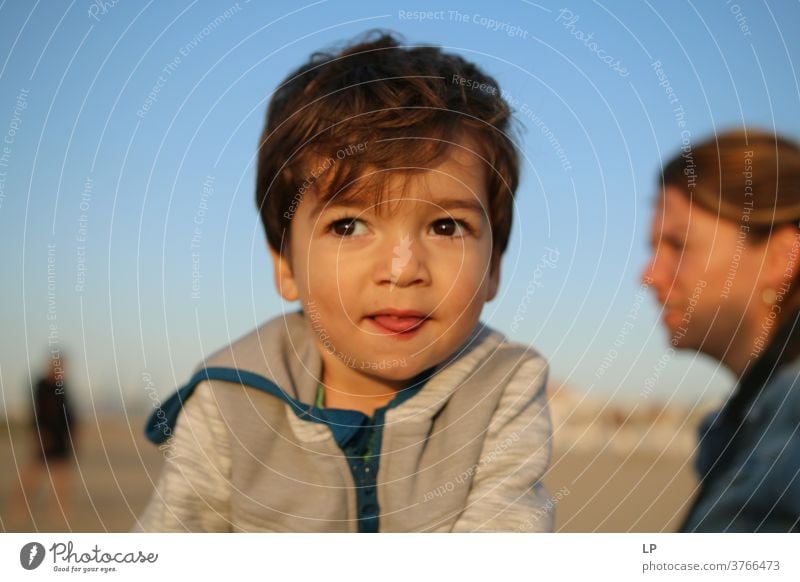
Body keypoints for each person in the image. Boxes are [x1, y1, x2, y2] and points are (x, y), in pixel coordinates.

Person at [133, 31, 552, 532]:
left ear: (494, 269)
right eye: (349, 226)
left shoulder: (501, 388)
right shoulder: (232, 400)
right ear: (286, 265)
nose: (401, 269)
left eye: (446, 227)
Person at [642, 129, 800, 532]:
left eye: (678, 246)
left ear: (782, 256)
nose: (649, 276)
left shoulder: (789, 434)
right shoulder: (749, 424)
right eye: (654, 249)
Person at [6, 354, 77, 523]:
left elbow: (68, 413)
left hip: (61, 437)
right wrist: (39, 433)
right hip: (46, 435)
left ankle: (59, 510)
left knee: (62, 476)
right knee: (33, 473)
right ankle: (18, 507)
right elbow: (37, 412)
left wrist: (72, 434)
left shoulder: (62, 386)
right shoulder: (42, 385)